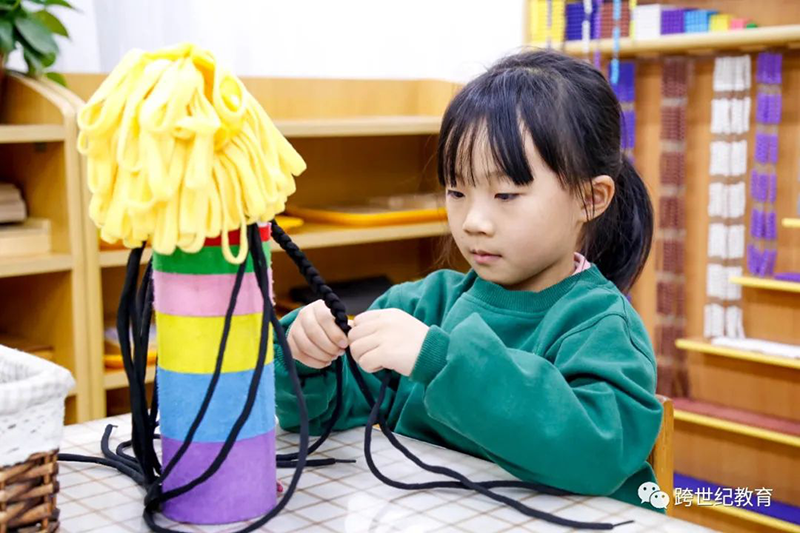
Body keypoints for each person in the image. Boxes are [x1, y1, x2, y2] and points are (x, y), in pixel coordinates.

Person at [273, 49, 663, 510]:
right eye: (457, 191)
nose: (474, 221)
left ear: (590, 199)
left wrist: (439, 360)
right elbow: (318, 415)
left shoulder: (601, 326)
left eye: (506, 194)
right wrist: (307, 357)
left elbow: (596, 452)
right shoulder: (423, 306)